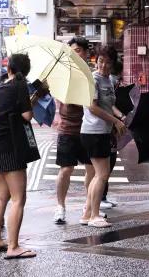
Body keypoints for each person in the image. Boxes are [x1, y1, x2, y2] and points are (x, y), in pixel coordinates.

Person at [0, 53, 38, 259]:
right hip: (11, 146)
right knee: (18, 199)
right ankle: (13, 246)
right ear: (26, 72)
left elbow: (13, 110)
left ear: (9, 67)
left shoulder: (1, 86)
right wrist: (35, 97)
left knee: (1, 196)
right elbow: (26, 115)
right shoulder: (20, 85)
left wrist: (30, 99)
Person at [80, 47, 126, 228]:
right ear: (95, 60)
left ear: (113, 63)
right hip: (94, 131)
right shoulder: (92, 79)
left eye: (107, 62)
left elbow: (107, 105)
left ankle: (87, 214)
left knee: (97, 175)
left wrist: (119, 116)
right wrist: (115, 121)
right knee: (102, 175)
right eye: (100, 61)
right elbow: (92, 107)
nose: (103, 65)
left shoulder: (108, 79)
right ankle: (94, 216)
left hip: (101, 132)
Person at [53, 37, 94, 224]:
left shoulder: (90, 74)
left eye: (77, 50)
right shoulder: (63, 73)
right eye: (71, 50)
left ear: (85, 53)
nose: (74, 54)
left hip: (88, 128)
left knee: (92, 169)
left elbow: (93, 101)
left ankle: (89, 204)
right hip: (67, 128)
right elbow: (63, 98)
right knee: (66, 169)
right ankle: (60, 207)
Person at [101, 54, 124, 210]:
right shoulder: (103, 82)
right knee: (103, 167)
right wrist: (117, 118)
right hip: (103, 129)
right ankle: (99, 199)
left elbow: (113, 105)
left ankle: (103, 197)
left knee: (110, 162)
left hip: (111, 130)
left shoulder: (111, 82)